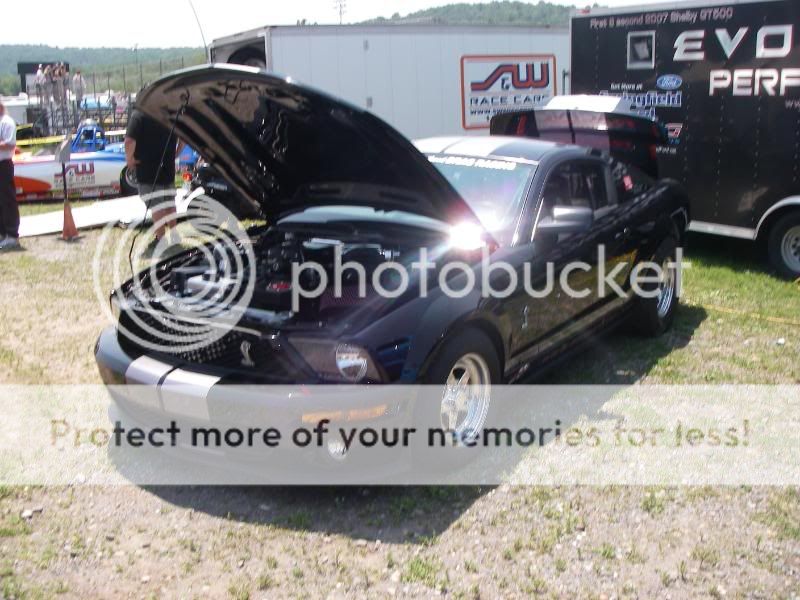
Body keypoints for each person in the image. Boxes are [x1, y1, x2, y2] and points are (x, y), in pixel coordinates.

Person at [125, 108, 184, 245]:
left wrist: (130, 160)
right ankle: (175, 235)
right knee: (169, 203)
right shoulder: (170, 113)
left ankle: (161, 239)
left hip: (148, 168)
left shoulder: (139, 115)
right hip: (167, 167)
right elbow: (184, 138)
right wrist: (176, 153)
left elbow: (129, 141)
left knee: (156, 205)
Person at [0, 101, 20, 251]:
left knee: (7, 199)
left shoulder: (7, 122)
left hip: (4, 164)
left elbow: (10, 144)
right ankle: (3, 233)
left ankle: (12, 235)